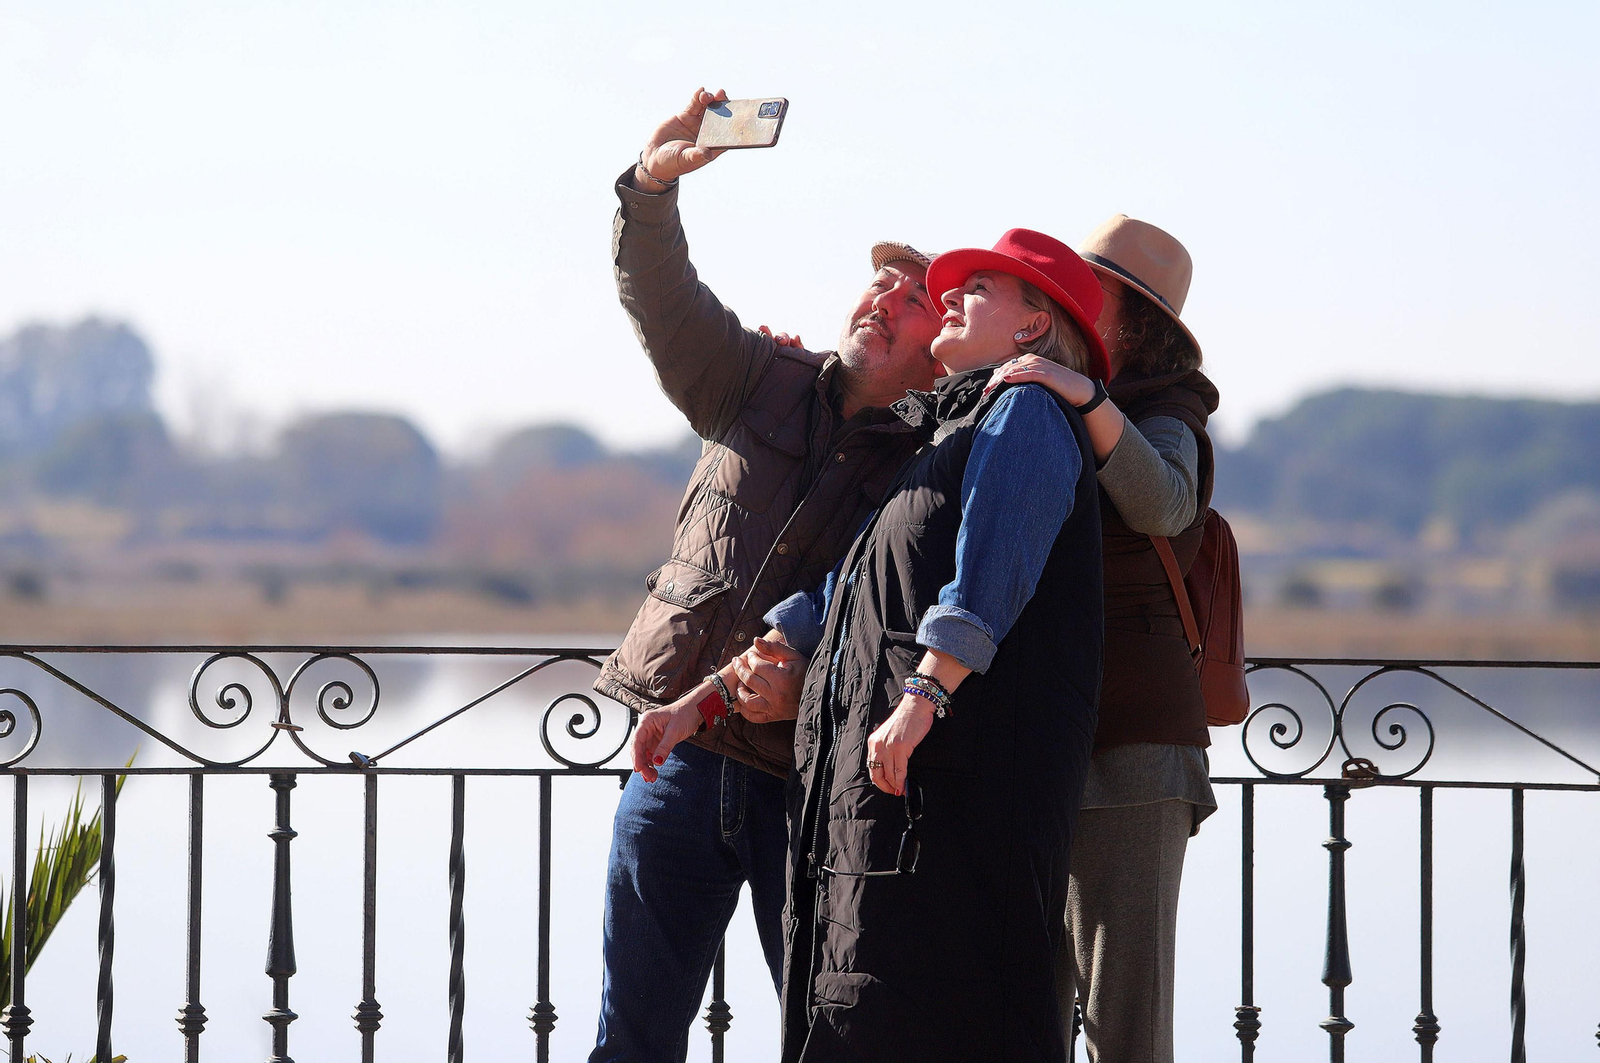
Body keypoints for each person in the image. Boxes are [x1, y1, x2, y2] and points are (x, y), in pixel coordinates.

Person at [633, 228, 1109, 1062]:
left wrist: (922, 697)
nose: (952, 299)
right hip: (882, 814)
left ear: (1034, 327)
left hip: (952, 814)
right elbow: (839, 596)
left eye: (979, 291)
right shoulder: (941, 432)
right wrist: (697, 700)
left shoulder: (1026, 413)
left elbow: (989, 574)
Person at [589, 87, 946, 1063]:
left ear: (943, 341)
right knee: (633, 1040)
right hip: (681, 755)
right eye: (878, 284)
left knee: (824, 1040)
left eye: (913, 298)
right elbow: (661, 298)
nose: (883, 300)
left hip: (817, 784)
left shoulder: (938, 457)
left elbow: (909, 617)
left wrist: (812, 686)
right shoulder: (756, 378)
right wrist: (652, 186)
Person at [989, 215, 1219, 1063]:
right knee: (1025, 1014)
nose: (1071, 302)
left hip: (1132, 755)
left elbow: (1163, 503)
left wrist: (1086, 399)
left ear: (1137, 322)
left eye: (1095, 291)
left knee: (1125, 1025)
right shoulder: (1039, 391)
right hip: (1042, 742)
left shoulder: (1169, 414)